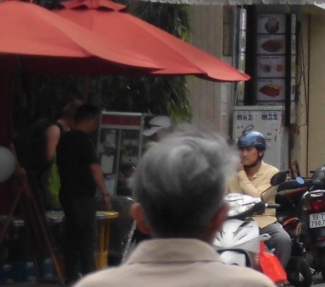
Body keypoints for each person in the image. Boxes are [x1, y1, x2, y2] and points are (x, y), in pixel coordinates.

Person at [72, 127, 273, 287]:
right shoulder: (253, 284)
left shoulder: (94, 285)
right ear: (220, 217)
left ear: (139, 217)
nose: (244, 153)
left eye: (249, 149)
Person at [56, 104, 111, 285]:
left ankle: (71, 274)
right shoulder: (83, 140)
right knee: (88, 236)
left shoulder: (64, 139)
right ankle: (90, 275)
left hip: (67, 194)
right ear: (91, 120)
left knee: (72, 236)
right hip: (82, 196)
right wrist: (105, 192)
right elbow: (94, 168)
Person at [226, 131, 292, 265]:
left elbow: (257, 198)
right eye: (241, 150)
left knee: (283, 240)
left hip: (262, 222)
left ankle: (275, 276)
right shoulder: (230, 172)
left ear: (260, 152)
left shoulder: (271, 173)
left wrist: (241, 174)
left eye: (249, 150)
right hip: (234, 223)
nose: (244, 154)